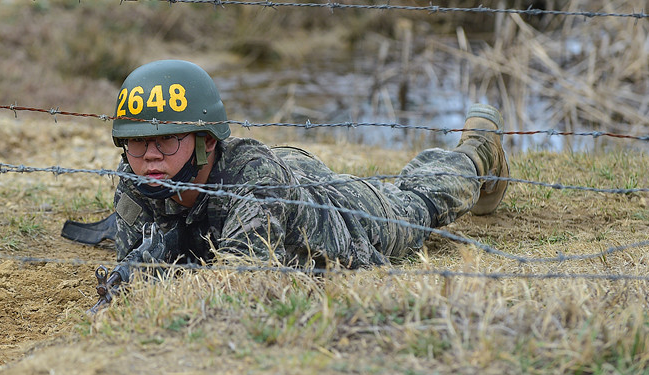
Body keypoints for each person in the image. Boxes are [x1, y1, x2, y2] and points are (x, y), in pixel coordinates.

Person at [109, 59, 509, 269]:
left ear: (207, 141)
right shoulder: (136, 179)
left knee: (417, 206)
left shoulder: (256, 187)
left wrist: (160, 267)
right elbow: (132, 264)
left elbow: (240, 284)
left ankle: (476, 152)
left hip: (340, 211)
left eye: (166, 139)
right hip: (280, 176)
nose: (150, 157)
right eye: (136, 143)